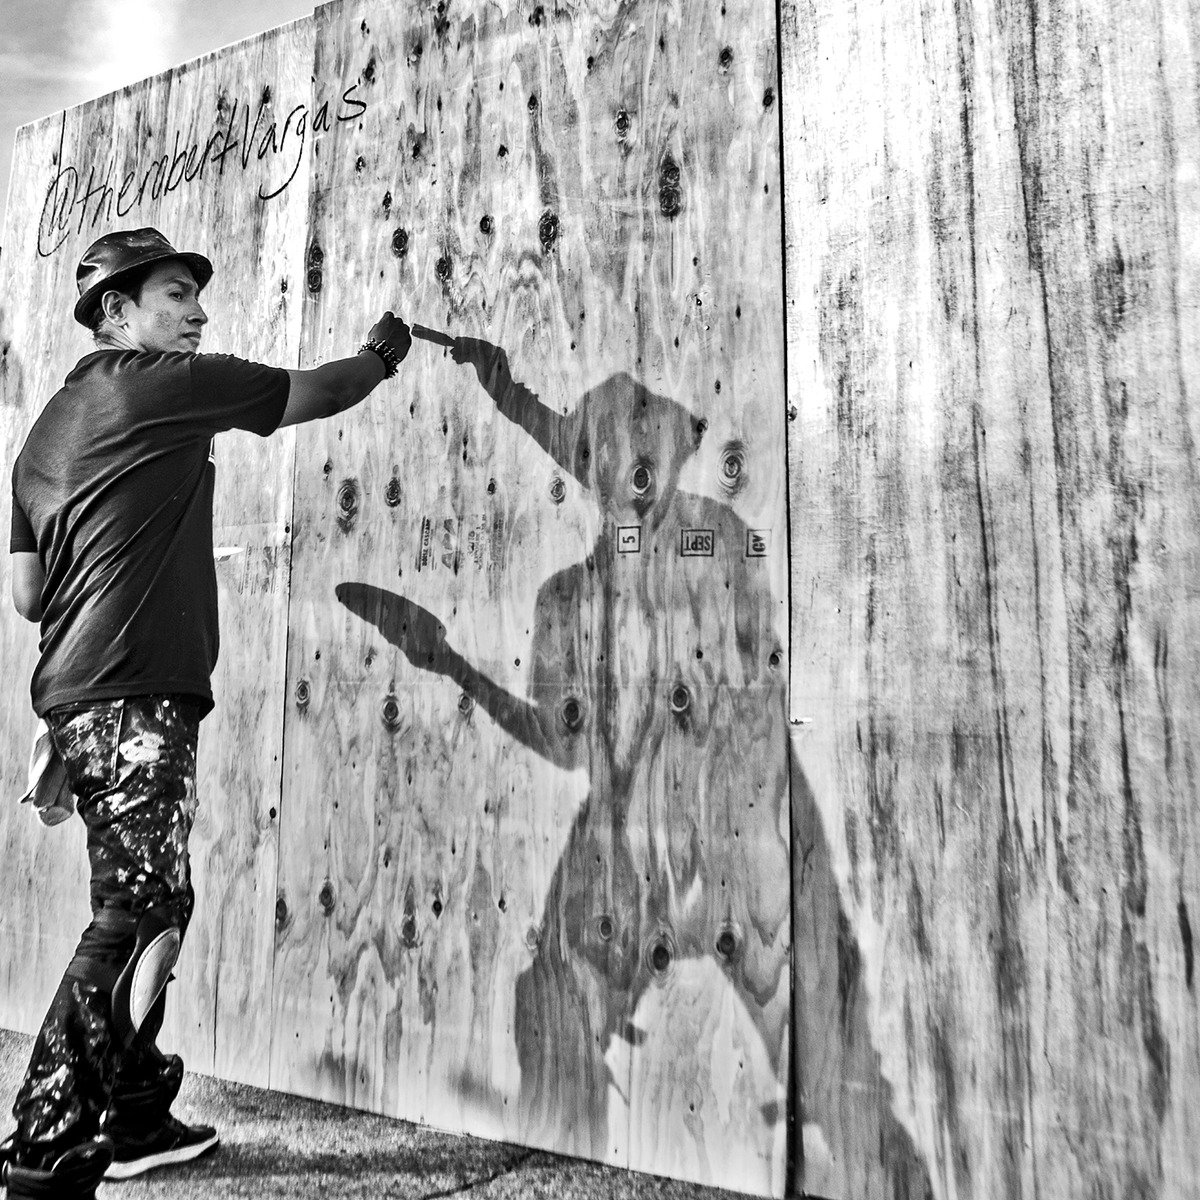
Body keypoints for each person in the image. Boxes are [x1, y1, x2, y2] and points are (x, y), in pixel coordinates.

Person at [1, 227, 411, 1199]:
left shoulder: (46, 434)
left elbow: (26, 593)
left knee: (152, 897)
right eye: (177, 295)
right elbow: (320, 392)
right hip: (134, 687)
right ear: (117, 313)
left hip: (83, 690)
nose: (198, 313)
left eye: (195, 298)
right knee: (140, 908)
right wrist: (383, 354)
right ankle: (46, 1137)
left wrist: (72, 708)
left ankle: (135, 1117)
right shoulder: (163, 382)